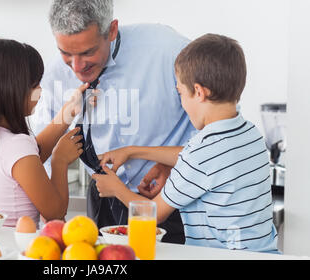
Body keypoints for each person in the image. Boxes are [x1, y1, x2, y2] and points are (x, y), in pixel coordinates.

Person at [32, 0, 196, 244]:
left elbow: (215, 122)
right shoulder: (55, 73)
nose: (76, 67)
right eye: (66, 53)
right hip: (101, 199)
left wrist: (172, 167)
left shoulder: (168, 51)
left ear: (111, 30)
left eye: (87, 52)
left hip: (170, 199)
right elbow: (41, 152)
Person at [94, 34, 279, 252]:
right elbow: (195, 156)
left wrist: (116, 189)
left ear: (199, 92)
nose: (182, 101)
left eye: (180, 92)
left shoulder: (201, 155)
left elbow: (153, 213)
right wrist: (132, 151)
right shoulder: (249, 133)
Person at [0, 37, 88, 228]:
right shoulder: (16, 146)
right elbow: (55, 212)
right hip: (17, 248)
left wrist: (68, 112)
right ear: (11, 89)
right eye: (34, 84)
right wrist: (60, 160)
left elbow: (28, 159)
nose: (40, 90)